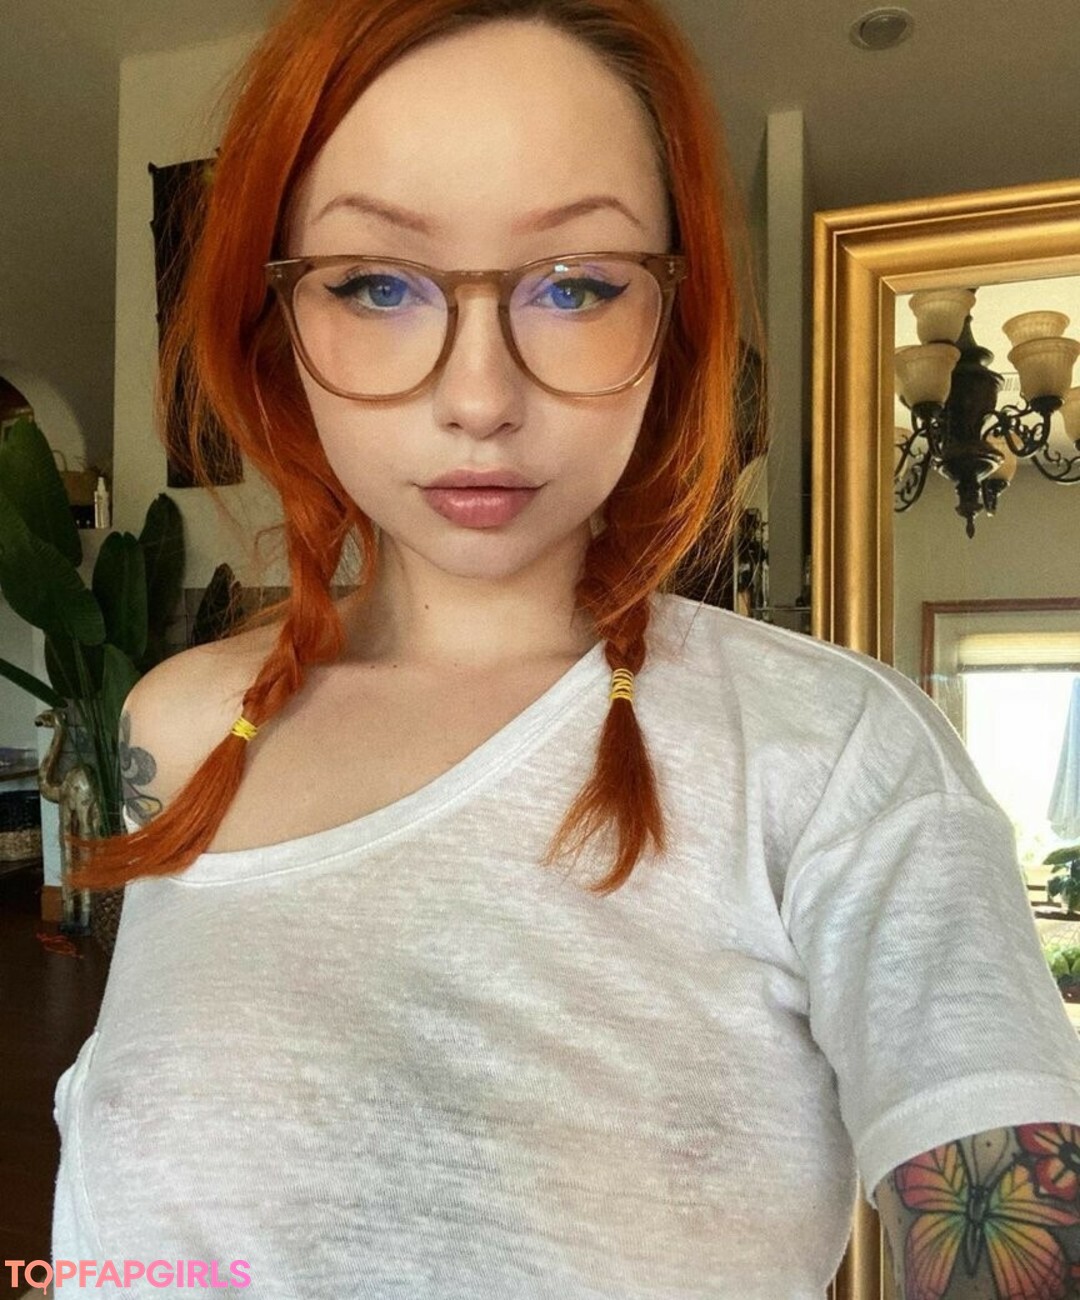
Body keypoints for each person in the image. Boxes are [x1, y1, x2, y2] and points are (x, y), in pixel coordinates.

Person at [50, 0, 1080, 1296]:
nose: (480, 397)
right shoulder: (179, 729)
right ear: (277, 320)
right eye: (376, 283)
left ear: (672, 315)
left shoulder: (836, 760)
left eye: (576, 284)